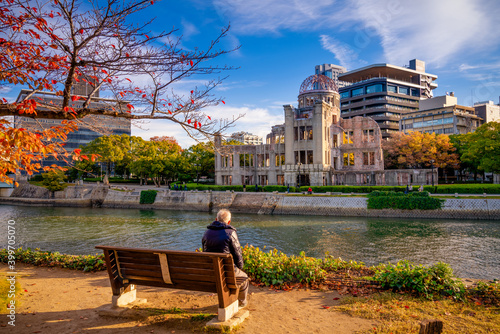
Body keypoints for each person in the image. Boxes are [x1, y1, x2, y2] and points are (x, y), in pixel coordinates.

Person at [202, 209, 249, 308]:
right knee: (244, 278)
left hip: (211, 272)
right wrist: (240, 267)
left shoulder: (207, 232)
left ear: (216, 219)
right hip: (227, 272)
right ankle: (241, 302)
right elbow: (237, 253)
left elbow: (204, 251)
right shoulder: (230, 233)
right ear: (229, 222)